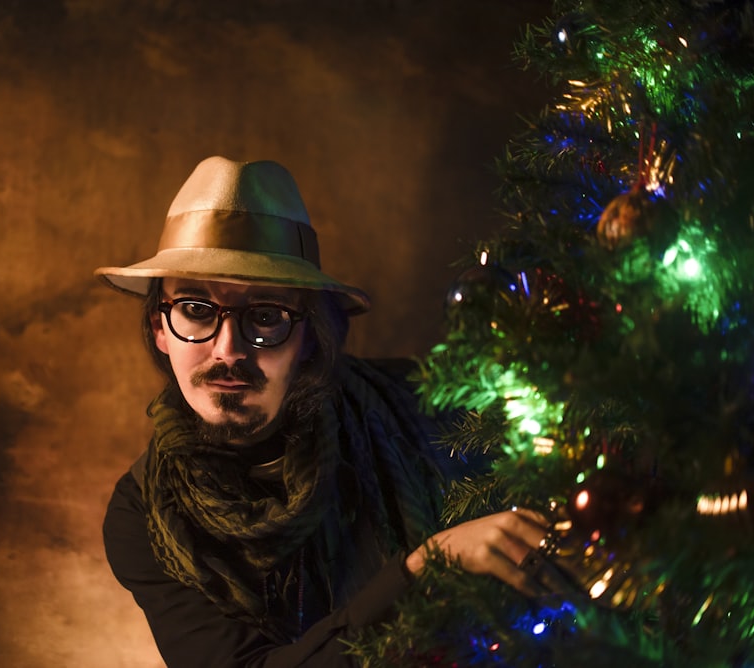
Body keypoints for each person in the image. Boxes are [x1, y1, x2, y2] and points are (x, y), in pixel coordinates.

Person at [96, 156, 550, 667]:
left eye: (265, 315)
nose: (228, 349)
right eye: (196, 310)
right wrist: (423, 571)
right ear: (160, 327)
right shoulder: (144, 514)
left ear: (311, 335)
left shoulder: (423, 408)